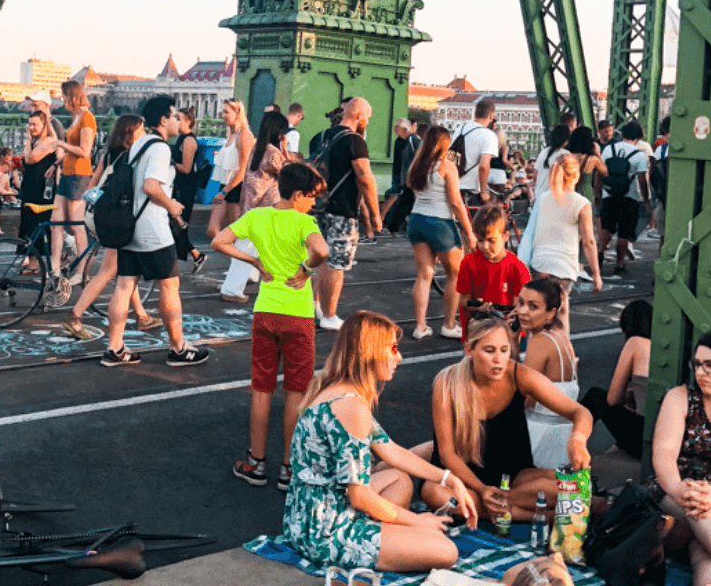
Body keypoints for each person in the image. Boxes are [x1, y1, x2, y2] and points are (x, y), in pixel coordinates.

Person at [282, 311, 477, 572]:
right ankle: (379, 540)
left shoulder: (336, 389)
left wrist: (450, 479)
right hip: (325, 531)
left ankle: (384, 536)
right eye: (392, 348)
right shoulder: (351, 407)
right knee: (445, 551)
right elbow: (359, 497)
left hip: (304, 516)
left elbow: (392, 451)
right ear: (369, 351)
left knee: (399, 479)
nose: (399, 357)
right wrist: (417, 522)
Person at [213, 162, 329, 490]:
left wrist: (252, 260)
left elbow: (219, 241)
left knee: (261, 390)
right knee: (296, 392)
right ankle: (289, 468)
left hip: (265, 313)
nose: (314, 204)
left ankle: (256, 463)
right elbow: (321, 251)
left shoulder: (258, 216)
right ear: (296, 195)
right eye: (311, 197)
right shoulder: (304, 222)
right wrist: (306, 269)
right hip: (298, 316)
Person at [422, 314, 593, 520]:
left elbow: (580, 412)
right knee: (433, 493)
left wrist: (577, 441)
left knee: (573, 490)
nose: (498, 359)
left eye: (504, 350)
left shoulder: (519, 375)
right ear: (469, 350)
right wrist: (482, 489)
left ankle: (500, 509)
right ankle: (525, 514)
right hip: (464, 481)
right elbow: (447, 454)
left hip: (514, 480)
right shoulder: (446, 382)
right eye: (489, 350)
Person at [101, 95, 209, 368]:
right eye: (174, 116)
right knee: (169, 284)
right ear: (163, 120)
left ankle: (114, 348)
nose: (176, 121)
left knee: (125, 285)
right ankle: (178, 348)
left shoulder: (138, 144)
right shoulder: (160, 149)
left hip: (129, 225)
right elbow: (151, 186)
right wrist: (172, 204)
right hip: (153, 228)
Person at [650, 330, 711, 586]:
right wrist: (682, 490)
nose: (701, 372)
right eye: (697, 364)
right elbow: (664, 455)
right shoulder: (680, 398)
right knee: (703, 510)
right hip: (678, 494)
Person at [62, 114, 159, 339]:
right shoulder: (134, 157)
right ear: (131, 132)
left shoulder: (109, 156)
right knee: (108, 270)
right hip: (119, 221)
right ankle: (75, 317)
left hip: (101, 217)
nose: (144, 134)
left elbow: (93, 185)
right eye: (141, 130)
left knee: (125, 269)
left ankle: (142, 316)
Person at [314, 98, 381, 331]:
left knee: (320, 259)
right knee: (337, 265)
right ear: (360, 116)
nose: (367, 123)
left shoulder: (321, 136)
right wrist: (375, 214)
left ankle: (315, 306)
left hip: (317, 206)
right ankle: (329, 315)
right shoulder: (355, 141)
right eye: (368, 118)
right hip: (343, 209)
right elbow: (365, 177)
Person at [406, 125, 474, 340]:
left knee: (424, 275)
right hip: (441, 223)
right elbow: (455, 202)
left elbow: (413, 191)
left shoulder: (416, 166)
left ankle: (420, 326)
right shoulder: (447, 166)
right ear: (445, 143)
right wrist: (469, 232)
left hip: (417, 220)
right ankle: (449, 324)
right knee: (454, 274)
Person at [526, 155, 602, 335]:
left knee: (537, 315)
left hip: (539, 264)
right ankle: (563, 359)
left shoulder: (543, 198)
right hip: (563, 267)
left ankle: (534, 355)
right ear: (576, 176)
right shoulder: (582, 203)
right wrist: (596, 274)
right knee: (560, 318)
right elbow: (589, 242)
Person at [220, 110, 289, 304]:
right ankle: (232, 290)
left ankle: (249, 278)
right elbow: (288, 173)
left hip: (250, 204)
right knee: (249, 248)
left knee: (249, 246)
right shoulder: (274, 153)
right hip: (267, 206)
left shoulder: (257, 148)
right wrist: (285, 150)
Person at [517, 277, 580, 469]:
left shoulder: (539, 342)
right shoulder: (560, 337)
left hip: (540, 439)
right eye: (520, 303)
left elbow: (524, 401)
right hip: (562, 437)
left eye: (533, 306)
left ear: (550, 312)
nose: (522, 311)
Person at [580, 299, 652, 459]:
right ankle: (615, 450)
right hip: (663, 438)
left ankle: (569, 442)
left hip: (643, 439)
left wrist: (626, 397)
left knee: (595, 396)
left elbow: (612, 400)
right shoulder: (667, 347)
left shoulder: (636, 342)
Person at [456, 204, 530, 340]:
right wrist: (478, 308)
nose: (484, 246)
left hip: (510, 334)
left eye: (491, 240)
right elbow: (463, 301)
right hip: (478, 333)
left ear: (505, 236)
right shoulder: (468, 263)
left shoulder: (517, 268)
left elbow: (519, 308)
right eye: (480, 240)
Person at [50, 80, 96, 287]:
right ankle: (54, 268)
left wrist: (60, 143)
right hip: (67, 172)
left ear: (72, 95)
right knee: (56, 221)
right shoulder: (76, 117)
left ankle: (82, 271)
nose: (62, 99)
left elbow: (85, 151)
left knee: (77, 225)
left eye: (64, 95)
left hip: (79, 175)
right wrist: (57, 162)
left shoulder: (87, 118)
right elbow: (72, 148)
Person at [597, 121, 650, 275]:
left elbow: (600, 173)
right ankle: (619, 264)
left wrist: (597, 193)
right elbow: (642, 181)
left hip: (609, 195)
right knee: (623, 233)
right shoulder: (639, 155)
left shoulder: (608, 149)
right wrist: (645, 200)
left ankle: (600, 254)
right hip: (629, 197)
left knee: (606, 228)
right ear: (639, 136)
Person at [17, 110, 59, 274]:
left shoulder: (48, 141)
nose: (31, 128)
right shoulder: (38, 141)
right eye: (30, 124)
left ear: (44, 125)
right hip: (31, 186)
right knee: (28, 222)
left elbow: (30, 158)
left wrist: (27, 141)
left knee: (37, 222)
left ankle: (39, 261)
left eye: (35, 124)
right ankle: (33, 260)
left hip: (41, 189)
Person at [206, 97, 254, 239]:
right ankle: (232, 256)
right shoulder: (231, 134)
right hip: (225, 184)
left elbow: (243, 169)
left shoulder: (244, 135)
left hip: (237, 187)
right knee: (212, 230)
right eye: (222, 112)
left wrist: (224, 192)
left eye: (226, 112)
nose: (223, 116)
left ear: (237, 113)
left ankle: (237, 259)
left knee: (237, 233)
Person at [170, 107, 204, 269]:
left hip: (185, 187)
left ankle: (191, 255)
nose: (175, 121)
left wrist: (169, 163)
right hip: (178, 185)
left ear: (188, 122)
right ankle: (195, 254)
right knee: (176, 223)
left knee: (178, 223)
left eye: (179, 118)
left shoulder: (189, 141)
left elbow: (186, 168)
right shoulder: (181, 138)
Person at [449, 98, 498, 206]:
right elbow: (484, 166)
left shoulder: (460, 129)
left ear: (475, 113)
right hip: (470, 190)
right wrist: (484, 192)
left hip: (452, 185)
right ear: (490, 116)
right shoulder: (489, 135)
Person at [381, 119, 420, 221]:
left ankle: (386, 220)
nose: (394, 129)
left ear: (404, 129)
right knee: (395, 195)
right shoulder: (399, 140)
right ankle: (385, 220)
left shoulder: (412, 140)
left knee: (395, 195)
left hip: (405, 175)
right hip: (400, 175)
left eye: (397, 127)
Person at [529, 124, 570, 199]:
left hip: (539, 196)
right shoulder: (566, 155)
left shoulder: (543, 152)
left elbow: (535, 176)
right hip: (555, 198)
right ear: (566, 140)